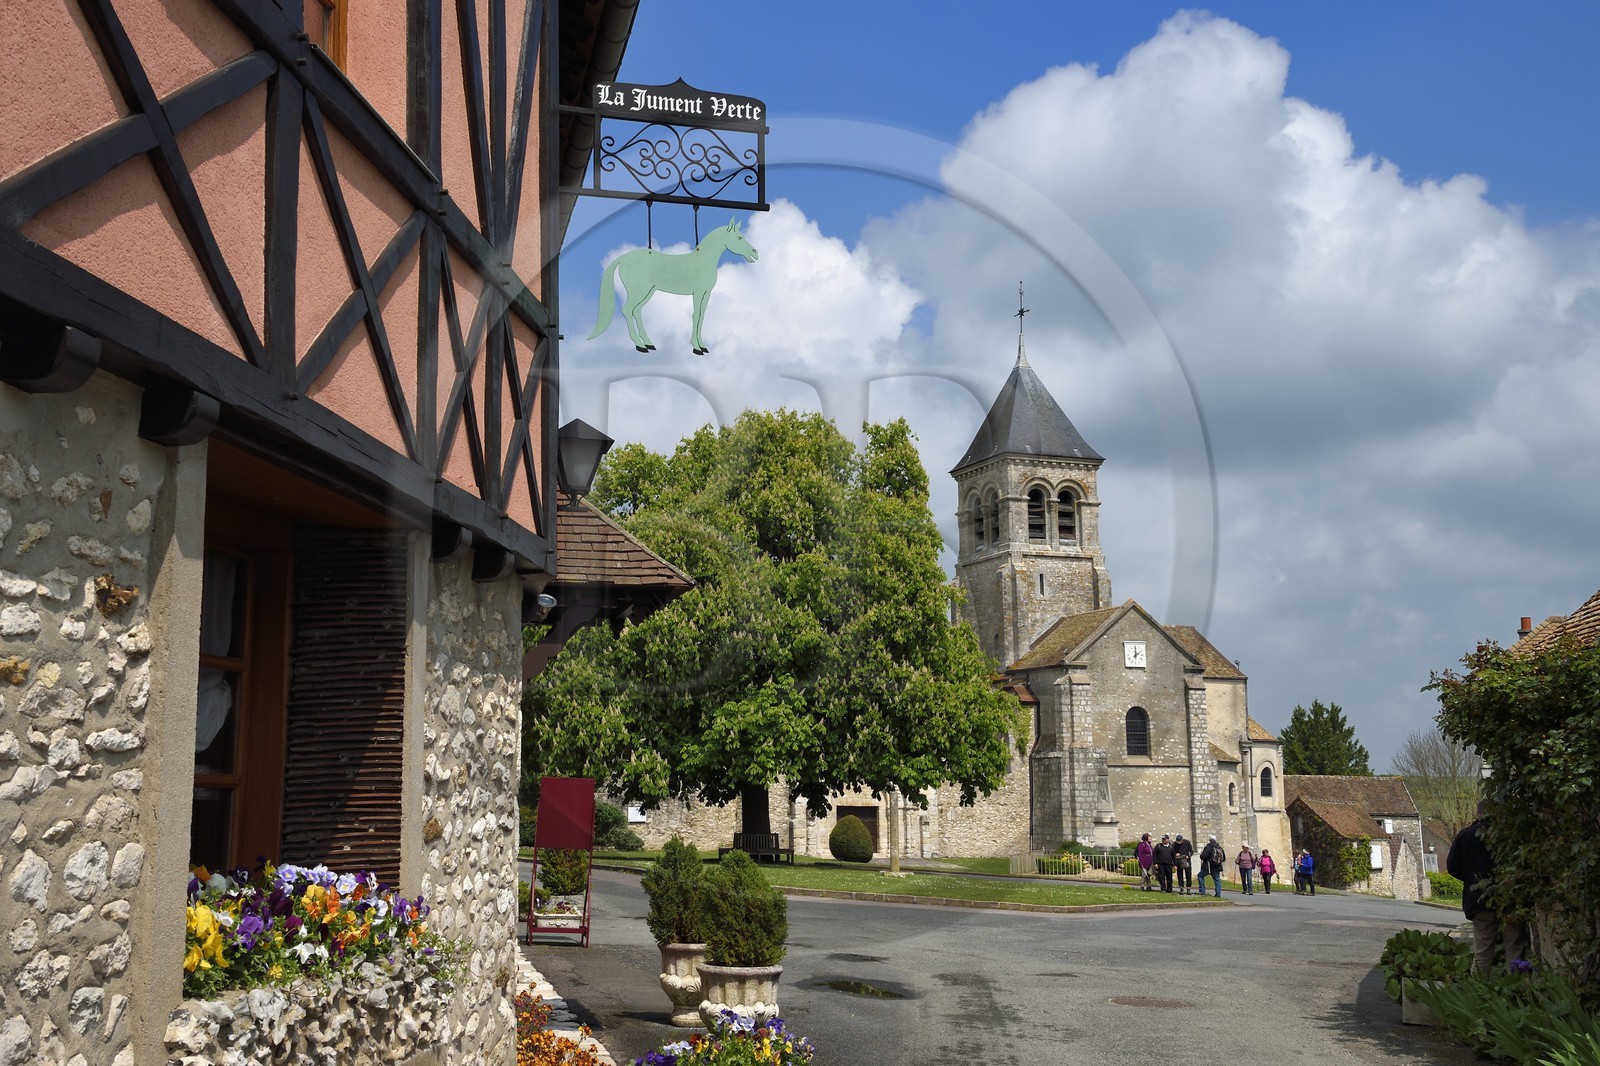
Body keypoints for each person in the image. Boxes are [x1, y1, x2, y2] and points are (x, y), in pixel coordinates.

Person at [1447, 803, 1530, 974]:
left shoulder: (1466, 835)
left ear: (1478, 813)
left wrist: (1470, 878)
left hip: (1479, 900)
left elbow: (1452, 866)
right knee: (1515, 950)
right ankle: (1518, 990)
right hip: (1510, 898)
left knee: (1482, 953)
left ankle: (1479, 992)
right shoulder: (1510, 834)